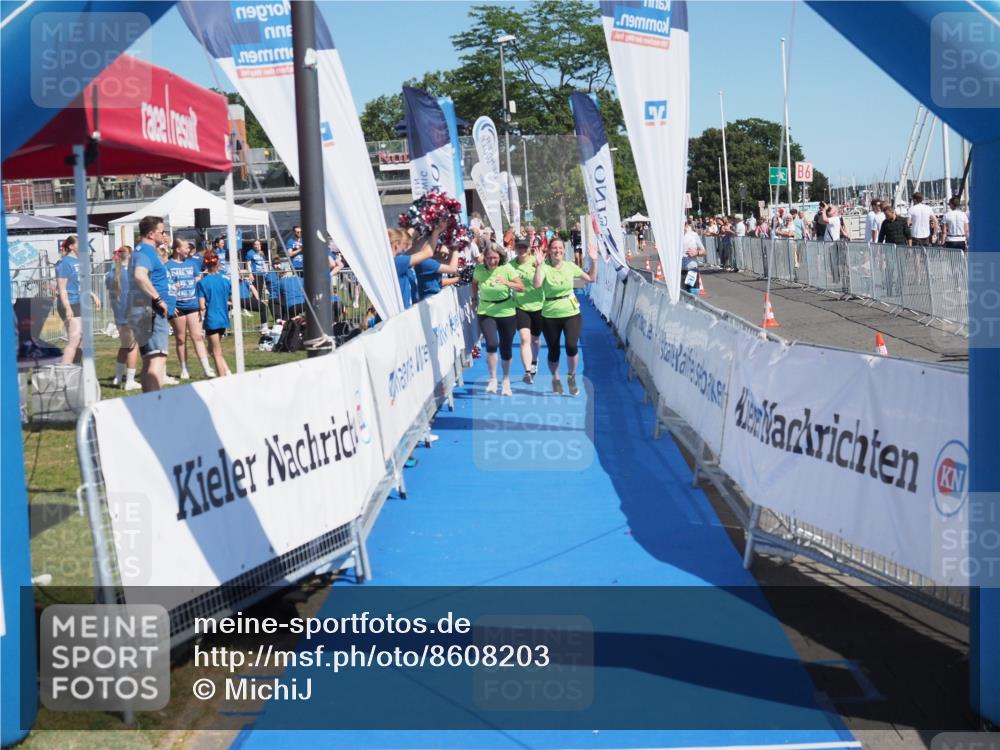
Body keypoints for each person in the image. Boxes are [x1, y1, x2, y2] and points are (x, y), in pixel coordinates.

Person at [532, 237, 599, 396]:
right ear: (548, 251)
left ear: (564, 250)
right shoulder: (545, 267)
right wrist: (539, 266)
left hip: (571, 312)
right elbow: (536, 284)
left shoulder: (570, 266)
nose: (557, 251)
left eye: (560, 248)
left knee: (571, 346)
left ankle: (571, 377)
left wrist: (594, 260)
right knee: (554, 350)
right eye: (554, 248)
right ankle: (555, 379)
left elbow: (591, 278)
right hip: (550, 314)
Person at [128, 216, 173, 392]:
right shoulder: (145, 251)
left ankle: (149, 404)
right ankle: (157, 406)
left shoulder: (142, 250)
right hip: (151, 311)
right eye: (162, 232)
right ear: (152, 233)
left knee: (149, 359)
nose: (164, 235)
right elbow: (140, 275)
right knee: (157, 359)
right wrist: (158, 299)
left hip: (142, 310)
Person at [473, 243, 524, 396]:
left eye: (495, 258)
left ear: (500, 257)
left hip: (506, 311)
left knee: (506, 347)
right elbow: (474, 283)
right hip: (486, 311)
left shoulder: (507, 269)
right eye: (488, 258)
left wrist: (507, 282)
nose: (491, 261)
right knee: (491, 343)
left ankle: (506, 380)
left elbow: (521, 287)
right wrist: (474, 299)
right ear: (484, 258)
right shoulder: (479, 270)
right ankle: (493, 378)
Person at [166, 238, 215, 380]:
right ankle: (184, 369)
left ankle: (206, 368)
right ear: (177, 249)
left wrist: (201, 303)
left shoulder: (192, 264)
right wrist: (171, 304)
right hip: (177, 307)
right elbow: (166, 285)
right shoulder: (168, 265)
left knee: (197, 336)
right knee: (181, 339)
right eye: (186, 248)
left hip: (193, 305)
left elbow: (198, 281)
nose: (189, 250)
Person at [55, 235, 101, 364]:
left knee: (83, 340)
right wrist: (68, 307)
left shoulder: (80, 262)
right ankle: (64, 372)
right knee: (74, 340)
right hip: (70, 303)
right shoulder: (65, 263)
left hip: (80, 302)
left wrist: (92, 294)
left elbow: (80, 283)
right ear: (71, 247)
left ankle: (76, 371)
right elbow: (62, 287)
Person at [105, 246, 140, 390]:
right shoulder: (132, 274)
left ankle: (118, 378)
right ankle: (130, 381)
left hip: (119, 314)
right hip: (131, 314)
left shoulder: (110, 274)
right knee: (133, 347)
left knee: (125, 345)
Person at [511, 238, 544, 383]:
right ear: (514, 248)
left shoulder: (536, 261)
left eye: (524, 247)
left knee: (535, 340)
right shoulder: (510, 265)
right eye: (519, 247)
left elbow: (540, 283)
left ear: (529, 248)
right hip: (520, 306)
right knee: (524, 338)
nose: (521, 250)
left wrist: (539, 266)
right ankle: (527, 371)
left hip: (538, 306)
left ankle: (534, 361)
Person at [196, 252, 233, 377]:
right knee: (212, 350)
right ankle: (227, 371)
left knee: (215, 352)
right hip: (223, 318)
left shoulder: (202, 282)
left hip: (212, 320)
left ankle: (222, 379)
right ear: (217, 263)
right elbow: (232, 297)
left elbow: (201, 305)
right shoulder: (226, 279)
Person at [389, 225, 439, 308]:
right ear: (396, 245)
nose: (405, 249)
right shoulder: (398, 261)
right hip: (402, 314)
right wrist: (437, 231)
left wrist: (427, 234)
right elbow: (428, 252)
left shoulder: (394, 261)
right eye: (403, 245)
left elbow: (413, 251)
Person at [245, 238, 269, 326]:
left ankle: (257, 306)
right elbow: (248, 264)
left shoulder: (261, 253)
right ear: (253, 245)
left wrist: (266, 272)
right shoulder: (250, 253)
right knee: (256, 292)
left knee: (260, 291)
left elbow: (263, 263)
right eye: (255, 244)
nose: (257, 246)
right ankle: (251, 307)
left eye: (258, 244)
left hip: (262, 274)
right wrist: (250, 274)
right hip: (255, 274)